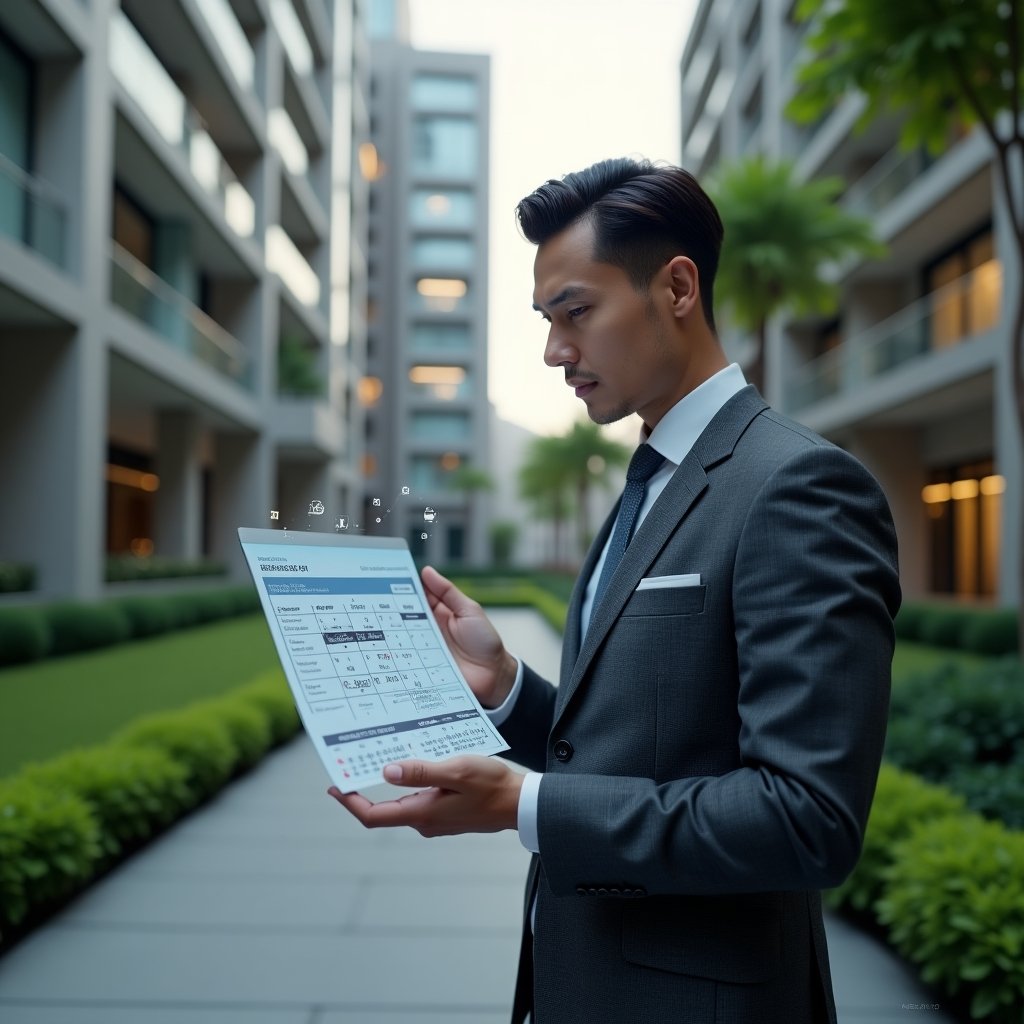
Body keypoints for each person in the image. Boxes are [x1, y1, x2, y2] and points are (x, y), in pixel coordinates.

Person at [330, 157, 901, 1024]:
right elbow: (634, 743)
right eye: (547, 320)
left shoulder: (799, 487)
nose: (555, 350)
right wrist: (510, 690)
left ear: (676, 288)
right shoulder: (651, 477)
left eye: (577, 313)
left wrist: (526, 805)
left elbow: (806, 817)